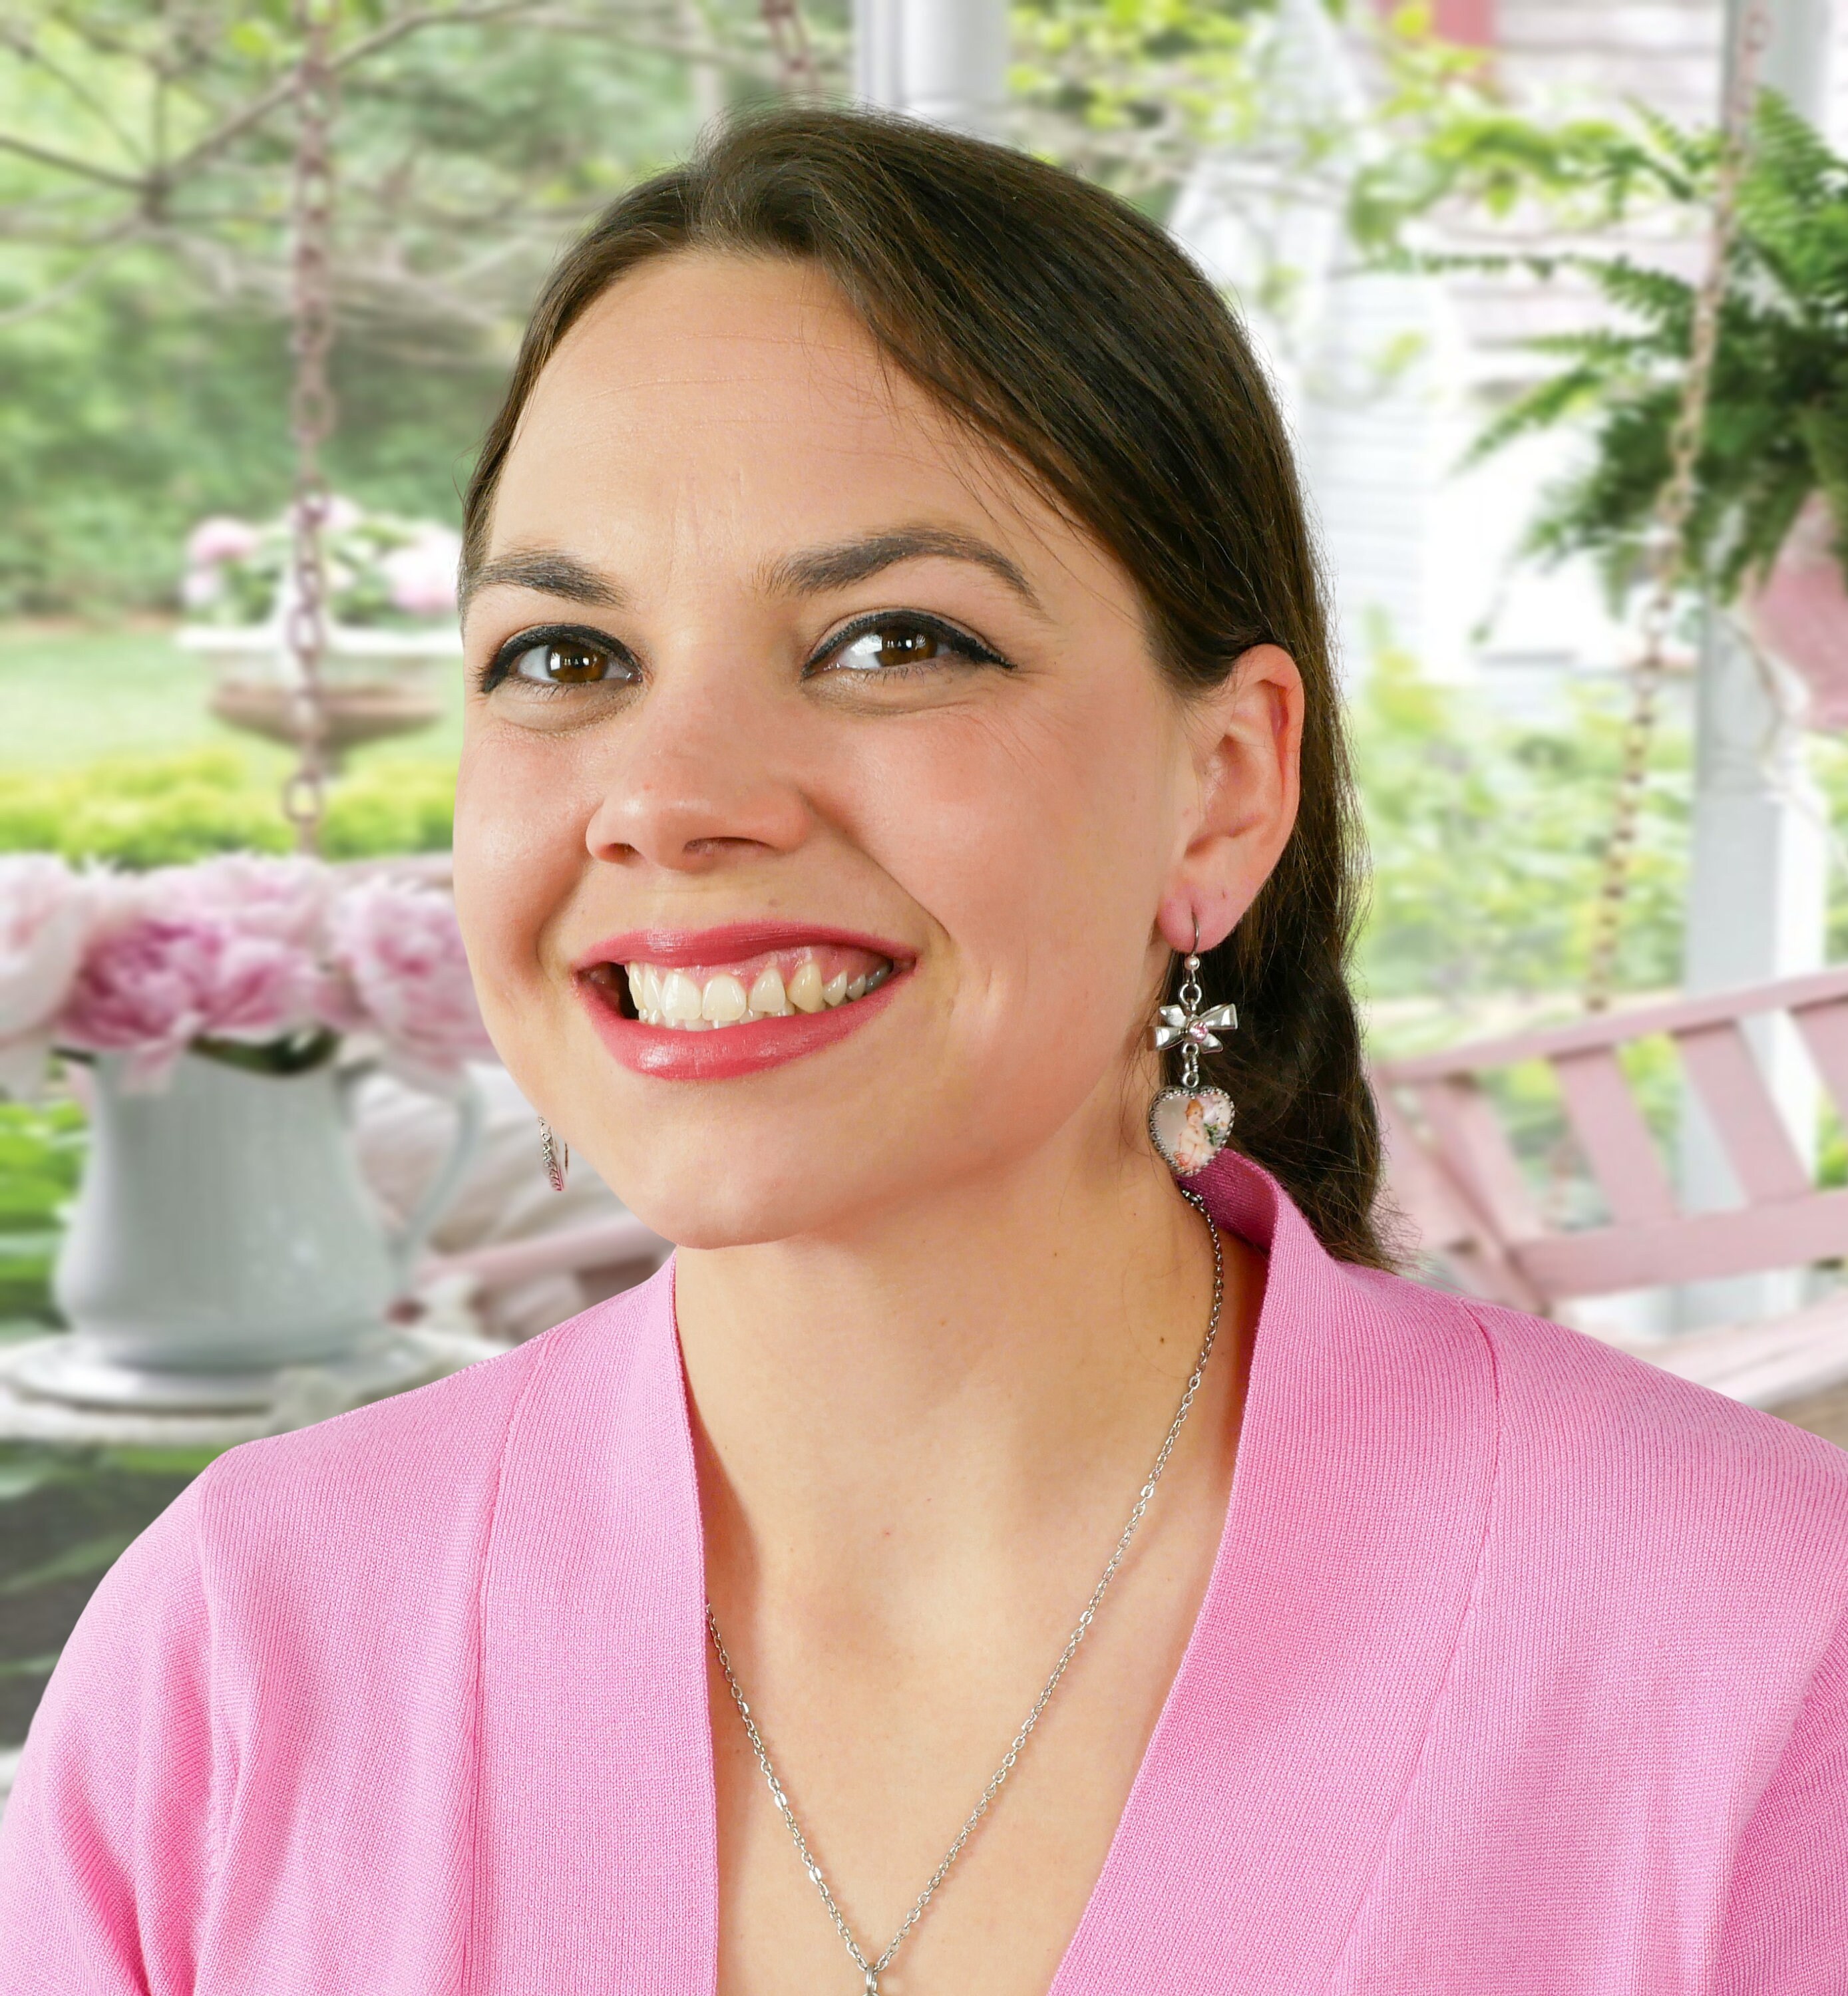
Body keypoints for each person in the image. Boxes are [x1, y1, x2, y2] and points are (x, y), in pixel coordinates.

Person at [2, 108, 1845, 1996]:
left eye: (892, 643)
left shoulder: (1764, 1654)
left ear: (1224, 787)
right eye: (564, 657)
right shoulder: (244, 1651)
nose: (669, 798)